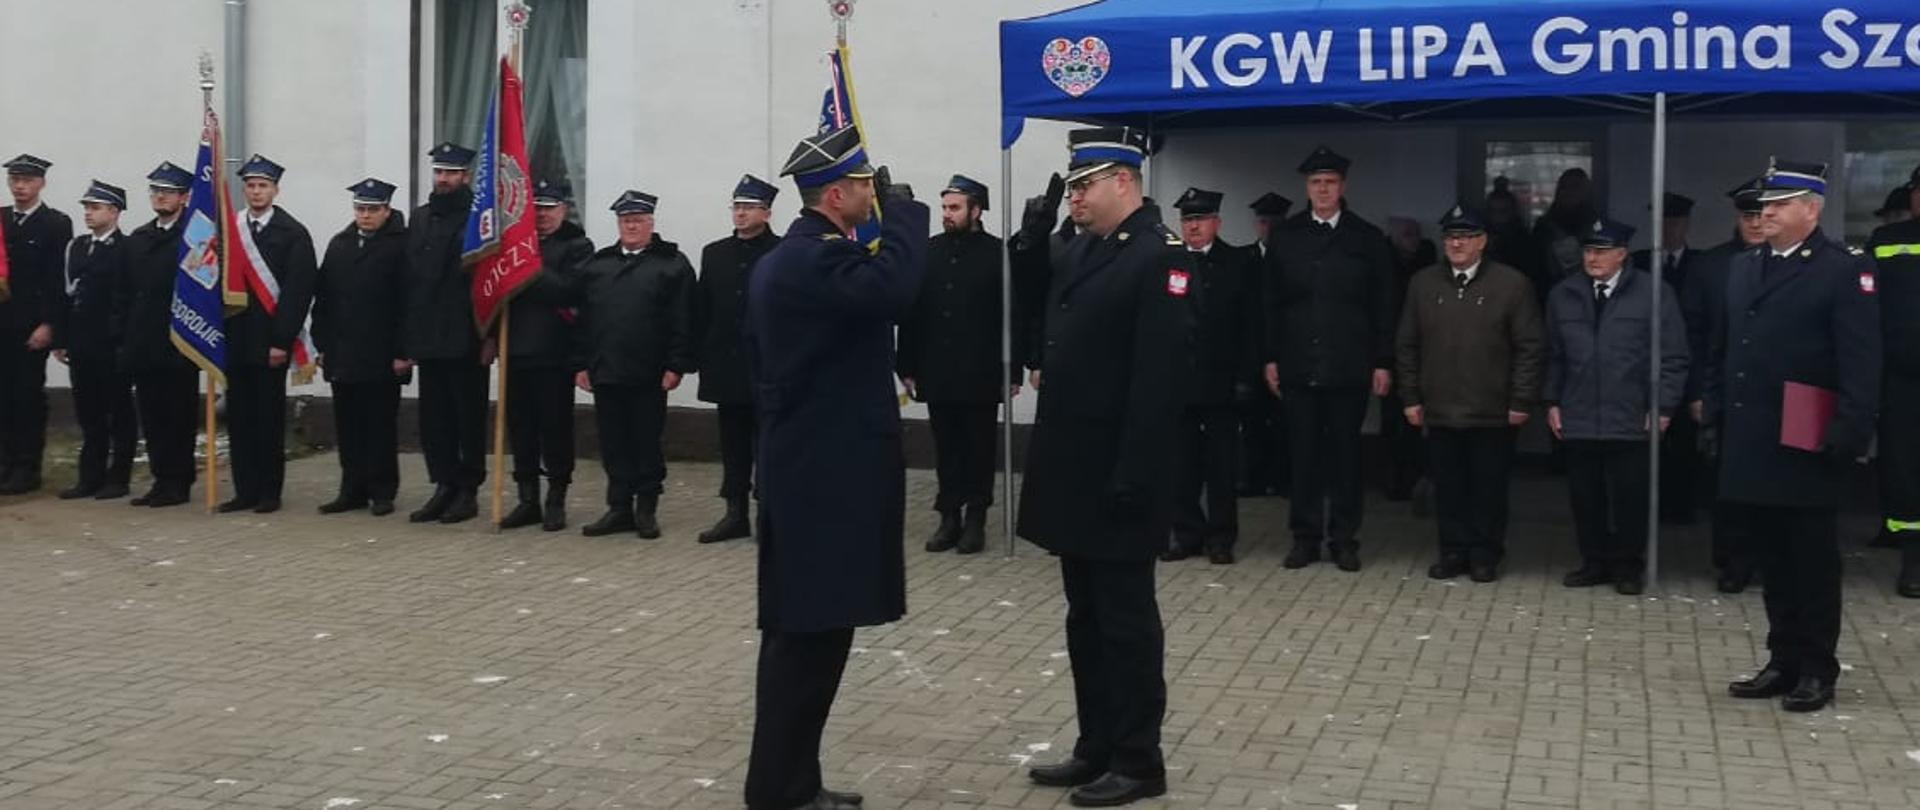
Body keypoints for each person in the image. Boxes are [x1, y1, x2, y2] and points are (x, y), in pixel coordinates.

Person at [741, 125, 927, 810]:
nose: (873, 198)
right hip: (820, 479)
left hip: (812, 470)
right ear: (838, 194)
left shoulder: (798, 259)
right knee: (805, 643)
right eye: (866, 188)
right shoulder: (811, 261)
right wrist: (905, 215)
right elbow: (893, 289)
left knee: (813, 640)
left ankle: (792, 783)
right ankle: (780, 790)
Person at [1017, 126, 1189, 807]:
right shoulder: (1085, 247)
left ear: (1124, 181)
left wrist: (1135, 475)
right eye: (1072, 187)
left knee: (1125, 624)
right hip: (1076, 469)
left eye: (1084, 185)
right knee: (1085, 619)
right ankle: (1096, 745)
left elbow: (1159, 381)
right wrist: (1030, 239)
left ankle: (1139, 760)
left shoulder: (1158, 255)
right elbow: (1037, 299)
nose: (1074, 198)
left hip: (1121, 473)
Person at [1711, 160, 1880, 713]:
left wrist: (1849, 431)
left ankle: (1816, 667)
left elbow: (1861, 361)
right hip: (1755, 435)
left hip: (1809, 439)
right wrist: (1716, 407)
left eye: (1779, 205)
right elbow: (1728, 347)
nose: (1766, 214)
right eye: (1764, 206)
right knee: (1774, 560)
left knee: (1812, 563)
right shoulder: (1743, 267)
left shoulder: (1841, 270)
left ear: (1812, 210)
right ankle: (1781, 659)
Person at [1263, 146, 1396, 572]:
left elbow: (1384, 303)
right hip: (1298, 363)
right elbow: (1269, 303)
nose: (1323, 189)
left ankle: (1344, 539)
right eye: (1316, 182)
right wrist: (1270, 357)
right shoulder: (1286, 236)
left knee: (1345, 458)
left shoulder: (1366, 238)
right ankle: (1304, 538)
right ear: (1307, 187)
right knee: (1302, 456)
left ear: (1343, 186)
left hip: (1348, 365)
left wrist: (1382, 360)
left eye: (1330, 182)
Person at [1395, 204, 1544, 583]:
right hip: (1440, 408)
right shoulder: (1423, 284)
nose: (1456, 244)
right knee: (1448, 487)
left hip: (1492, 409)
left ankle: (1484, 554)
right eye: (1450, 237)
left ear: (1483, 241)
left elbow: (1530, 347)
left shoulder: (1512, 285)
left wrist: (1521, 400)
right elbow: (1407, 344)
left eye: (1465, 237)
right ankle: (1452, 551)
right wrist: (1411, 397)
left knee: (1488, 489)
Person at [1545, 218, 1688, 595]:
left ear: (1622, 254)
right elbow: (1554, 354)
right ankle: (1593, 561)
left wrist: (1663, 407)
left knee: (1629, 497)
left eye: (1601, 251)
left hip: (1631, 413)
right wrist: (1552, 400)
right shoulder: (1564, 294)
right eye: (1588, 250)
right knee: (1585, 496)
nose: (1592, 258)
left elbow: (1673, 356)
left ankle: (1627, 565)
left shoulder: (1654, 293)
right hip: (1579, 411)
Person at [898, 174, 1016, 555]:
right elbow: (912, 311)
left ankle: (976, 518)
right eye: (945, 207)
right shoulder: (929, 250)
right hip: (938, 368)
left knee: (979, 447)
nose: (947, 214)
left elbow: (1011, 315)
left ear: (976, 210)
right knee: (946, 447)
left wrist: (1012, 370)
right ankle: (949, 516)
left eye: (955, 207)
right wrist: (907, 364)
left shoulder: (996, 253)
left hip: (980, 370)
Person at [571, 190, 696, 540]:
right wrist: (580, 364)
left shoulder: (672, 265)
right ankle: (619, 507)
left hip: (649, 373)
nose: (631, 227)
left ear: (650, 223)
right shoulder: (598, 265)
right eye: (626, 221)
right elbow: (582, 320)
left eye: (638, 220)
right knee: (613, 442)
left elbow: (684, 318)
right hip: (606, 370)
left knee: (645, 441)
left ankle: (646, 509)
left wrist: (676, 365)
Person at [1164, 187, 1258, 564]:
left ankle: (1221, 537)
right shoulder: (1169, 262)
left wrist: (1246, 377)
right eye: (1187, 220)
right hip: (1180, 381)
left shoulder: (1239, 263)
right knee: (1181, 465)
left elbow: (1251, 325)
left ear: (1216, 222)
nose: (1193, 226)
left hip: (1222, 381)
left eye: (1200, 219)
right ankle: (1187, 533)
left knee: (1221, 467)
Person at [1685, 177, 1769, 593]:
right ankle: (1733, 560)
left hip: (1777, 394)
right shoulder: (1711, 266)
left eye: (1761, 214)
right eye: (1747, 215)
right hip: (1726, 391)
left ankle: (1773, 559)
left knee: (1778, 482)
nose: (1754, 223)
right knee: (1728, 483)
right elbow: (1694, 335)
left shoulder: (1796, 264)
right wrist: (1698, 392)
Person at [222, 154, 316, 514]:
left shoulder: (293, 233)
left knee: (267, 419)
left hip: (269, 342)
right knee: (239, 418)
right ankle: (244, 490)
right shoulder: (230, 230)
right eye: (250, 185)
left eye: (263, 186)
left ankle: (268, 491)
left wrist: (281, 341)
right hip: (236, 338)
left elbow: (297, 292)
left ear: (276, 190)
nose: (256, 192)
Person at [497, 179, 591, 532]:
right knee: (520, 429)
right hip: (515, 349)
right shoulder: (514, 244)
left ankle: (556, 499)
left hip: (555, 354)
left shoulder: (577, 245)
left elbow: (570, 290)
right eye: (536, 209)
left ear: (563, 210)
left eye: (550, 208)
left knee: (555, 429)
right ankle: (527, 500)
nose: (542, 215)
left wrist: (529, 264)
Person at [312, 178, 410, 517]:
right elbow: (323, 298)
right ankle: (351, 488)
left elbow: (408, 303)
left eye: (372, 209)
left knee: (379, 425)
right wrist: (322, 343)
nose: (365, 215)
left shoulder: (401, 246)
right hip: (342, 352)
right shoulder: (340, 244)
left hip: (381, 354)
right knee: (348, 425)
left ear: (387, 210)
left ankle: (382, 490)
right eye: (360, 208)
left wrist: (403, 351)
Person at [402, 142, 487, 524]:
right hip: (428, 336)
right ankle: (443, 484)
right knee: (434, 420)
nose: (443, 179)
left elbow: (486, 282)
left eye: (451, 173)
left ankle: (468, 490)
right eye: (439, 172)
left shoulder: (479, 219)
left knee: (466, 417)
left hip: (465, 336)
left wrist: (488, 335)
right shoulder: (420, 218)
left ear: (465, 176)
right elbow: (410, 278)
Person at [694, 174, 780, 544]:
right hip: (727, 366)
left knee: (769, 445)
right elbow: (703, 308)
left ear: (767, 212)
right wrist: (698, 357)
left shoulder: (781, 252)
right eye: (737, 206)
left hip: (769, 369)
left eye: (749, 207)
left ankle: (769, 514)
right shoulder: (715, 253)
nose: (741, 213)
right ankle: (735, 513)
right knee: (732, 444)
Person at [116, 162, 199, 508]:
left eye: (168, 191)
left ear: (184, 197)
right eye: (156, 191)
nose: (160, 197)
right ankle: (160, 478)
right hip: (143, 340)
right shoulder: (139, 238)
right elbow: (124, 291)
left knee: (178, 415)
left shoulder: (195, 237)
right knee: (151, 416)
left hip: (178, 341)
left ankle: (179, 481)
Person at [52, 180, 137, 500]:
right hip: (81, 342)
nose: (88, 213)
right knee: (89, 413)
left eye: (95, 207)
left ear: (114, 212)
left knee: (118, 412)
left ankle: (119, 477)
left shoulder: (126, 248)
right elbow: (66, 295)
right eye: (86, 207)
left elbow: (127, 298)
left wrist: (124, 341)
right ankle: (90, 476)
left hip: (111, 343)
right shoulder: (76, 246)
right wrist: (62, 339)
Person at [0, 154, 72, 494]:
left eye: (27, 180)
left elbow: (57, 280)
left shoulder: (55, 223)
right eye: (15, 180)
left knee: (26, 397)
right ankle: (4, 463)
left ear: (41, 183)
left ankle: (26, 468)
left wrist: (50, 324)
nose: (19, 187)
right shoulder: (1, 219)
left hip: (29, 327)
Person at [1631, 192, 1704, 524]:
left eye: (1675, 222)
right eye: (1663, 222)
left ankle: (1680, 508)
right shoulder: (1637, 263)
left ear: (1686, 224)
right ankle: (1648, 509)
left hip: (1685, 366)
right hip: (1642, 366)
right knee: (1643, 446)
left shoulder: (1701, 264)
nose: (1669, 228)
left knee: (1684, 443)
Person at [1868, 167, 1920, 595]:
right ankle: (1913, 560)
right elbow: (1864, 306)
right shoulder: (1886, 240)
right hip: (1900, 380)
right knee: (1903, 469)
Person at [1381, 215, 1437, 502]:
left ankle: (1417, 476)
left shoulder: (1429, 265)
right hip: (1391, 351)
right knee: (1393, 419)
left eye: (1415, 234)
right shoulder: (1384, 265)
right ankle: (1395, 478)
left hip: (1423, 349)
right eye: (1406, 234)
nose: (1413, 240)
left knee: (1419, 418)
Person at [1240, 192, 1291, 498]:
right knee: (1253, 422)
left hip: (1286, 354)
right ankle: (1253, 479)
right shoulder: (1243, 260)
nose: (1268, 228)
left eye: (1274, 222)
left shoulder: (1293, 259)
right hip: (1251, 354)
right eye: (1263, 222)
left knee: (1287, 422)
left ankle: (1284, 479)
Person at [1530, 168, 1599, 303]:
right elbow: (1535, 267)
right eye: (1564, 187)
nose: (1569, 192)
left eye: (1575, 187)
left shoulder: (1597, 226)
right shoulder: (1544, 227)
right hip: (1550, 295)